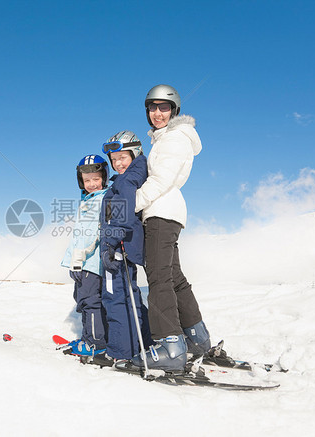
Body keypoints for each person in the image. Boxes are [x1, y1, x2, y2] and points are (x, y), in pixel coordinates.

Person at [129, 84, 211, 372]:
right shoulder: (165, 139)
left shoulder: (174, 139)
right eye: (152, 107)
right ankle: (196, 338)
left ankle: (170, 347)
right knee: (174, 277)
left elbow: (161, 180)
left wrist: (131, 204)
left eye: (164, 107)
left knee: (159, 278)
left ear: (174, 110)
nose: (157, 113)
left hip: (161, 212)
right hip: (167, 211)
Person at [92, 131, 152, 367]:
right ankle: (141, 344)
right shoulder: (129, 176)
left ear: (134, 153)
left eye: (122, 158)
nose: (117, 164)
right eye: (114, 159)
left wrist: (111, 242)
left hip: (117, 248)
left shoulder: (126, 181)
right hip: (120, 246)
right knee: (128, 295)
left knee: (115, 297)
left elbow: (122, 217)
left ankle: (120, 352)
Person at [61, 154, 109, 356]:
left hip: (89, 262)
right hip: (80, 262)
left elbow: (94, 234)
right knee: (81, 299)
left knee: (90, 301)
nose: (91, 184)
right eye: (87, 180)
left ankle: (95, 344)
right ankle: (87, 337)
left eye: (96, 179)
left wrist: (79, 258)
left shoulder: (101, 200)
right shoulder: (88, 200)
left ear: (104, 178)